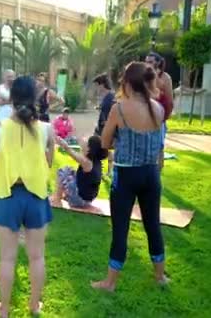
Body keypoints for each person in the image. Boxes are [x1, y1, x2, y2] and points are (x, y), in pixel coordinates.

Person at [92, 62, 167, 292]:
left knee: (120, 229)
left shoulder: (119, 109)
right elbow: (160, 143)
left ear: (127, 82)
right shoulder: (159, 109)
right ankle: (160, 277)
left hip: (126, 175)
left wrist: (119, 141)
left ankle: (110, 283)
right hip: (151, 173)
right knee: (153, 225)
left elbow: (104, 142)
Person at [0, 76, 54, 317]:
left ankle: (4, 309)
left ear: (11, 98)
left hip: (8, 196)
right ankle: (34, 306)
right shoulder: (47, 129)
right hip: (36, 197)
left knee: (7, 258)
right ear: (35, 98)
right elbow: (48, 163)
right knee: (37, 257)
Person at [52, 135, 108, 207]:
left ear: (89, 149)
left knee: (63, 171)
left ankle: (57, 200)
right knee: (71, 171)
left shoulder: (86, 162)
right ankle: (63, 195)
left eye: (86, 141)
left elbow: (71, 152)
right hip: (88, 199)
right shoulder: (96, 161)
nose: (83, 141)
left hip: (80, 200)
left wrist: (63, 144)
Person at [145, 52, 173, 170]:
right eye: (146, 61)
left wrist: (165, 116)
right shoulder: (143, 76)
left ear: (158, 62)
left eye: (150, 61)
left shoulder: (165, 77)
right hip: (144, 115)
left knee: (159, 146)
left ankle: (158, 173)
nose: (147, 64)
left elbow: (170, 99)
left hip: (159, 117)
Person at [93, 73, 116, 177]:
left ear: (101, 85)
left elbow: (110, 114)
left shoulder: (110, 97)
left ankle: (107, 171)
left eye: (97, 86)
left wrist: (107, 125)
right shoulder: (107, 96)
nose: (96, 89)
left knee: (102, 149)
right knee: (102, 149)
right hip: (101, 127)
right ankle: (105, 170)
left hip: (105, 128)